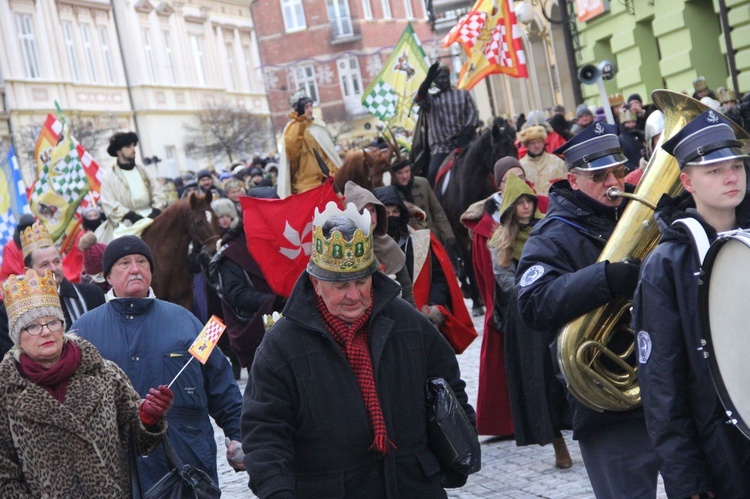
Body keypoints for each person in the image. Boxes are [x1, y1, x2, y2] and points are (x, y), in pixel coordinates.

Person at [242, 202, 476, 497]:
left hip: (414, 486)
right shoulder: (281, 347)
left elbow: (450, 388)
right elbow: (264, 432)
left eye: (361, 281)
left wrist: (456, 454)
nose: (354, 295)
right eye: (340, 286)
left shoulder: (408, 323)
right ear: (315, 283)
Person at [515, 122, 661, 498]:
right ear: (574, 180)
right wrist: (604, 280)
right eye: (599, 176)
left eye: (617, 170)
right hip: (610, 401)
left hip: (669, 383)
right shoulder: (551, 235)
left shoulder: (644, 214)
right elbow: (532, 304)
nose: (614, 182)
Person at [632, 109, 750, 498]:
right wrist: (687, 480)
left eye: (736, 166)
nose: (731, 177)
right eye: (714, 171)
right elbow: (662, 385)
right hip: (722, 454)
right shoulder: (667, 265)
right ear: (687, 181)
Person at [70, 236, 244, 490]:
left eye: (141, 262)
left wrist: (238, 435)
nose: (134, 269)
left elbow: (222, 384)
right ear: (107, 277)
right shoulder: (83, 331)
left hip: (187, 466)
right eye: (124, 263)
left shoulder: (189, 321)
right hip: (118, 470)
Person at [0, 268, 173, 497]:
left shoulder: (104, 373)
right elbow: (5, 474)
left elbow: (137, 443)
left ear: (63, 326)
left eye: (53, 322)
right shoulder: (6, 392)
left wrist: (147, 419)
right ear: (17, 336)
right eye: (32, 326)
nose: (45, 332)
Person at [487, 172, 572, 468]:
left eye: (529, 201)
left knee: (567, 370)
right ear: (511, 206)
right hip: (525, 316)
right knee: (540, 380)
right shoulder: (500, 240)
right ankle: (558, 443)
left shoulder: (547, 229)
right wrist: (531, 291)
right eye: (520, 202)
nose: (525, 206)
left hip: (554, 307)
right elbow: (504, 279)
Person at [460, 157, 530, 437]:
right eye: (508, 178)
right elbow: (487, 272)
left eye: (521, 175)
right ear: (498, 184)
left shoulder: (535, 205)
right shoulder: (488, 223)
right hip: (507, 296)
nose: (515, 181)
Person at [374, 185, 477, 353]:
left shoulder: (420, 240)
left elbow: (439, 276)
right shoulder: (369, 246)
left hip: (423, 319)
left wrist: (433, 306)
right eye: (385, 213)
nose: (391, 217)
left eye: (395, 212)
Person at [21, 221, 105, 327]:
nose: (53, 268)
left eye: (56, 261)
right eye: (45, 264)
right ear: (29, 272)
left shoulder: (91, 294)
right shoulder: (22, 311)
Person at [344, 180, 415, 305]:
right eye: (362, 212)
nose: (370, 217)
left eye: (372, 210)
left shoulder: (389, 246)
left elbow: (408, 296)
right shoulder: (342, 251)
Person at [415, 63, 480, 187]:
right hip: (442, 148)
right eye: (441, 78)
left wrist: (465, 137)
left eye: (446, 77)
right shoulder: (431, 99)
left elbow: (473, 116)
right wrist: (427, 80)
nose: (444, 81)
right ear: (435, 80)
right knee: (432, 174)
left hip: (466, 144)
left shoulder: (463, 94)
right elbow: (419, 97)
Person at [97, 131, 166, 243]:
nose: (133, 149)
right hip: (126, 223)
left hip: (151, 218)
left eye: (134, 145)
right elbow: (109, 203)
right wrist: (130, 215)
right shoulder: (108, 176)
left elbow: (157, 191)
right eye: (128, 146)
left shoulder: (143, 170)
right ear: (119, 151)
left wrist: (156, 210)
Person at [278, 92, 342, 196]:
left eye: (311, 106)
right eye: (306, 107)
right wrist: (300, 123)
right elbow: (292, 153)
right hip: (306, 186)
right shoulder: (292, 129)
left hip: (327, 182)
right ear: (299, 109)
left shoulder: (318, 126)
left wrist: (333, 173)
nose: (310, 110)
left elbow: (328, 155)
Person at [390, 158, 456, 246]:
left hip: (432, 237)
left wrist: (449, 236)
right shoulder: (391, 192)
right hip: (409, 242)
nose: (405, 176)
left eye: (407, 171)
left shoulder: (423, 183)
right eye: (400, 173)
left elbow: (437, 212)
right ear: (393, 174)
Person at [518, 125, 567, 196]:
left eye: (539, 142)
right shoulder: (520, 166)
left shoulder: (558, 162)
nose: (537, 145)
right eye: (533, 143)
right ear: (526, 145)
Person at [0, 213, 36, 283]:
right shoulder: (10, 247)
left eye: (31, 228)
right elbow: (11, 273)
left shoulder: (42, 242)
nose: (28, 232)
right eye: (25, 229)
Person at [618, 105, 645, 171]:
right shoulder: (620, 140)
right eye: (628, 122)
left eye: (633, 122)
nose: (631, 124)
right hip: (634, 171)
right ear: (623, 124)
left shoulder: (640, 135)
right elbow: (622, 161)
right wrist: (634, 168)